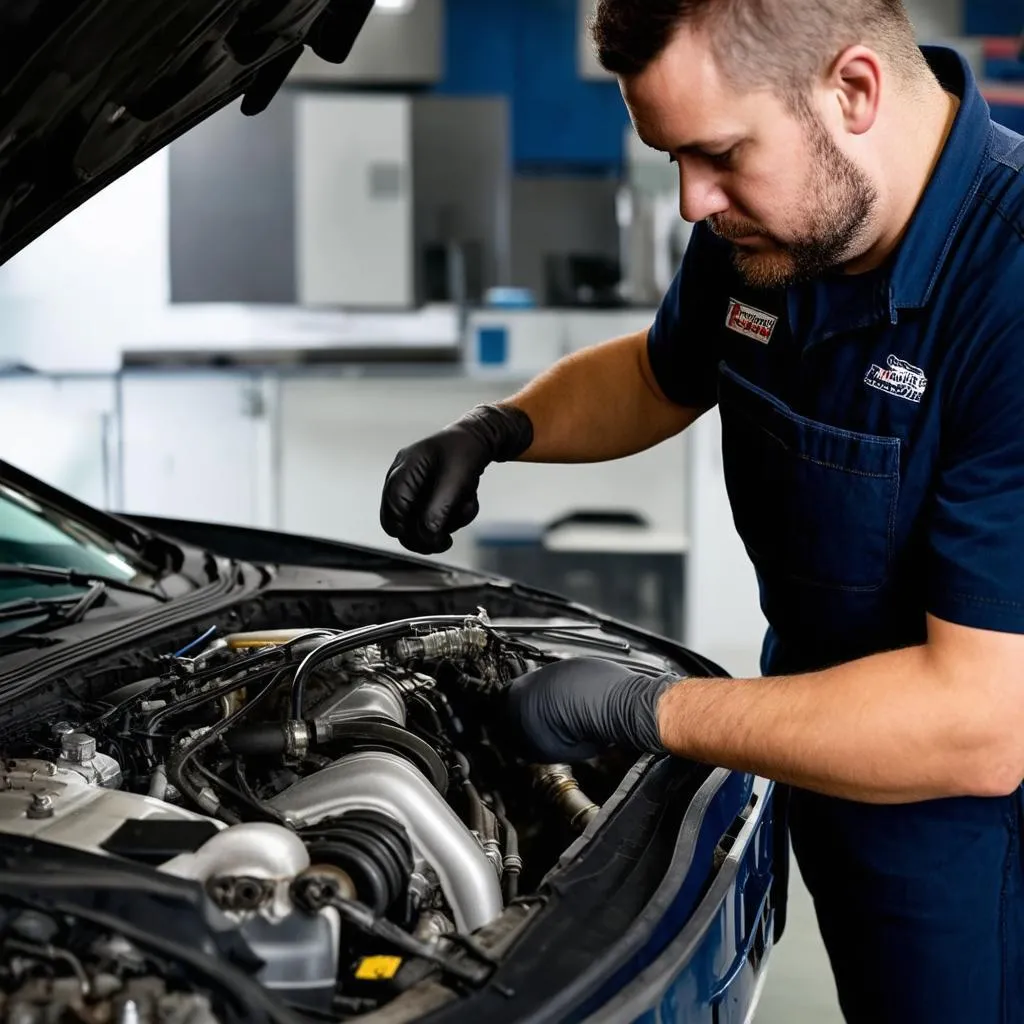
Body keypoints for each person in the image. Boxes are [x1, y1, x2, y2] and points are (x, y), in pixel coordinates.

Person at [378, 1, 1024, 1020]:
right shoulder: (772, 226)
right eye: (672, 156)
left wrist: (644, 710)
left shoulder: (1009, 290)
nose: (691, 200)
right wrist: (501, 428)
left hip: (975, 836)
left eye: (717, 154)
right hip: (827, 759)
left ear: (852, 89)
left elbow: (983, 721)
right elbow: (661, 372)